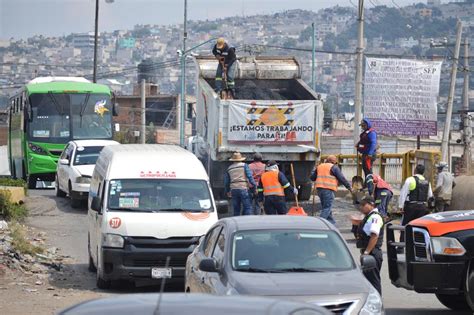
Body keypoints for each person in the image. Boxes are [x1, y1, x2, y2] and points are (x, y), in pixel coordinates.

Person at [310, 155, 352, 225]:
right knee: (327, 207)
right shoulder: (334, 167)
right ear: (333, 162)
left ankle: (331, 223)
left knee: (326, 206)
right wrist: (349, 187)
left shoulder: (320, 166)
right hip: (328, 189)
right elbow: (342, 178)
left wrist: (314, 171)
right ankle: (319, 223)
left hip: (319, 190)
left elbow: (312, 178)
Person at [356, 196, 384, 295]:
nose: (361, 207)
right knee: (368, 281)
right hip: (369, 252)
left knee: (373, 282)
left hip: (372, 253)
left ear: (371, 204)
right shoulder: (369, 216)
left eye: (364, 205)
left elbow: (374, 236)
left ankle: (377, 304)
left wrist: (367, 252)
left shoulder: (375, 217)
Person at [224, 152, 256, 216]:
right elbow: (249, 176)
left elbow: (227, 182)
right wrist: (254, 185)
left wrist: (227, 191)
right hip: (243, 188)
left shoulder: (229, 168)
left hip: (234, 190)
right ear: (240, 159)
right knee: (247, 207)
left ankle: (237, 222)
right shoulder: (244, 165)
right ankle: (247, 222)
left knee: (236, 209)